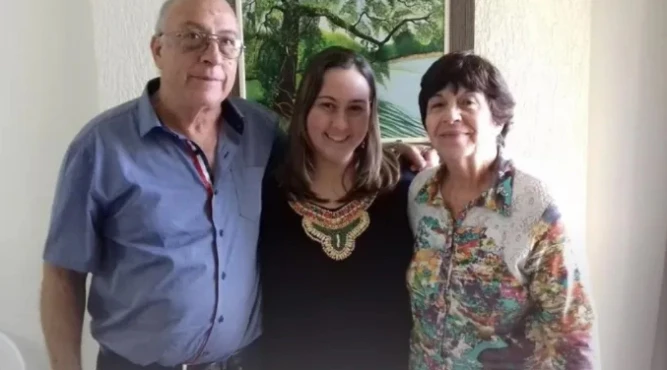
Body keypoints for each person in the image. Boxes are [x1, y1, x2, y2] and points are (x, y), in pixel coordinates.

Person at [39, 1, 433, 369]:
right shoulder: (101, 147)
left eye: (226, 42)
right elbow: (62, 276)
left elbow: (326, 147)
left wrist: (390, 152)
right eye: (192, 37)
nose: (211, 55)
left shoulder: (259, 132)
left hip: (244, 361)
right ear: (157, 49)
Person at [406, 51, 597, 369]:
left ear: (499, 119)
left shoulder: (533, 203)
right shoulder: (420, 194)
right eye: (437, 104)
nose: (451, 115)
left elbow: (571, 334)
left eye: (467, 102)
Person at [258, 46, 415, 370]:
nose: (341, 124)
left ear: (371, 114)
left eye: (356, 108)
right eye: (327, 105)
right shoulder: (264, 196)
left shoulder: (406, 195)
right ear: (304, 110)